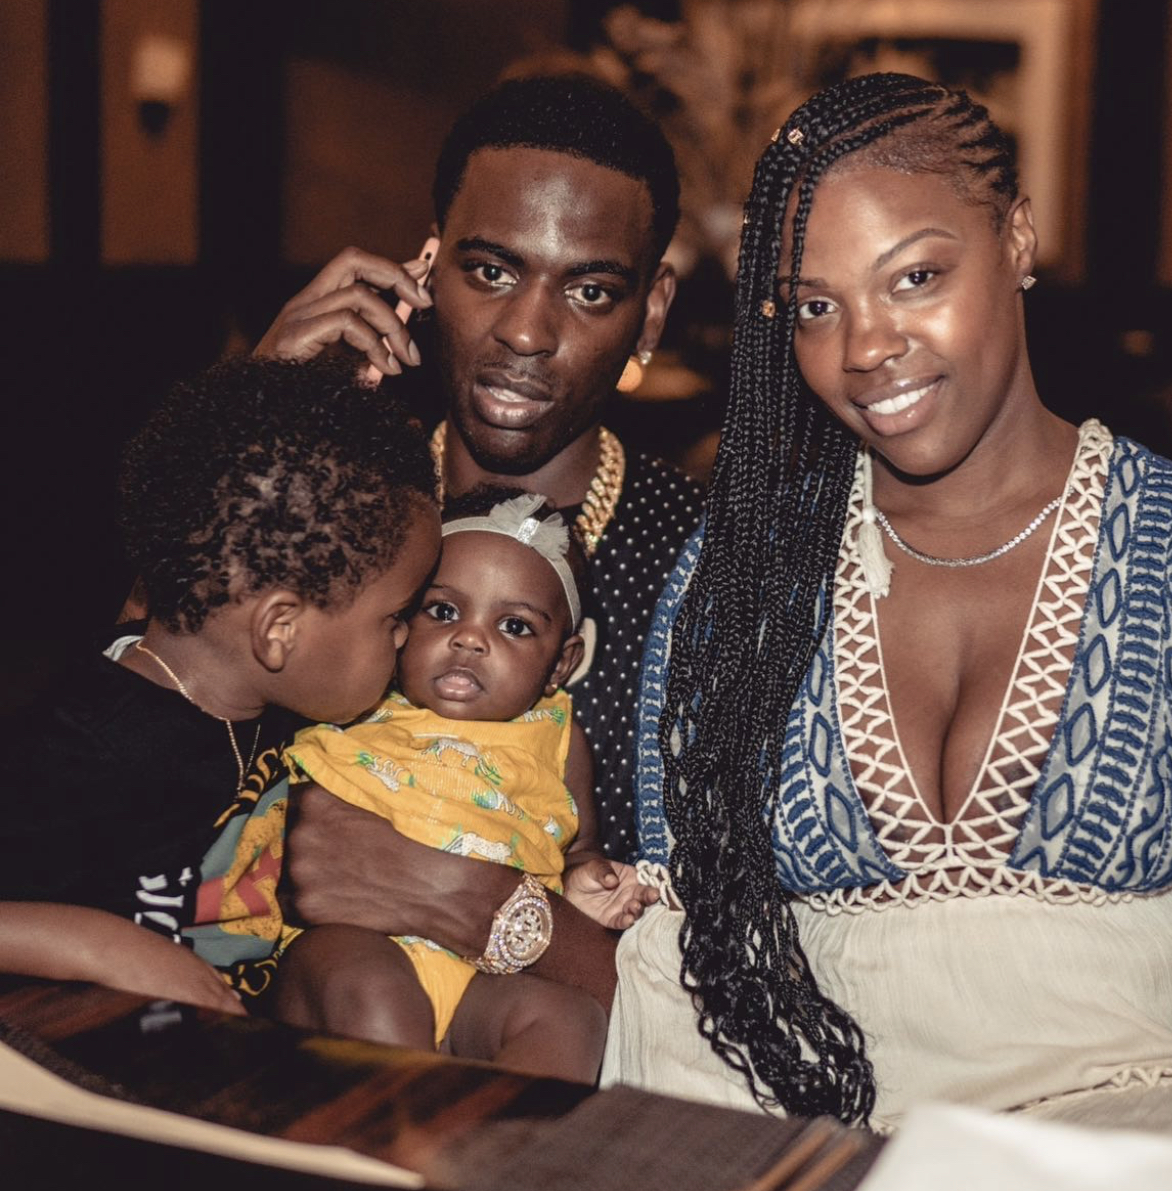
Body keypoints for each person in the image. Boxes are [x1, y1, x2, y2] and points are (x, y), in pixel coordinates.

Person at [602, 74, 1172, 1190]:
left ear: (1016, 239)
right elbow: (684, 987)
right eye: (815, 307)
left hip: (1134, 1155)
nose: (866, 348)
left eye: (915, 277)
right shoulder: (742, 578)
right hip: (819, 1150)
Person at [254, 75, 703, 1014]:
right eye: (492, 272)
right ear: (426, 268)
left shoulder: (711, 568)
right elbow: (121, 753)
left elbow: (740, 1000)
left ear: (652, 312)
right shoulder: (328, 499)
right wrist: (251, 424)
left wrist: (458, 896)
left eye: (590, 290)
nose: (526, 331)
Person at [0, 360, 440, 1014]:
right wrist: (104, 947)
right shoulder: (81, 748)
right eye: (394, 616)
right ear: (279, 630)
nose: (406, 638)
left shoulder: (278, 705)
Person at [275, 491, 650, 1081]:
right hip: (352, 942)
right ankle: (399, 1127)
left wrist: (586, 877)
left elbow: (578, 845)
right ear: (400, 622)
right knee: (375, 992)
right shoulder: (363, 700)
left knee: (570, 1020)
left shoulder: (558, 737)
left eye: (514, 626)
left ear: (560, 663)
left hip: (484, 974)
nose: (470, 639)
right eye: (444, 612)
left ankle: (490, 1136)